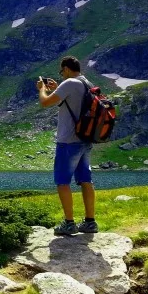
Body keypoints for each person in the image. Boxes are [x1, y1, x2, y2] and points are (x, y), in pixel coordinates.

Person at [36, 56, 98, 236]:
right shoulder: (87, 83)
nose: (61, 74)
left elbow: (45, 102)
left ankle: (69, 223)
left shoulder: (70, 83)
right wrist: (57, 88)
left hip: (68, 141)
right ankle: (90, 222)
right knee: (85, 180)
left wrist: (42, 89)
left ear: (67, 69)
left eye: (61, 71)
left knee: (62, 181)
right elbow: (72, 103)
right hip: (85, 140)